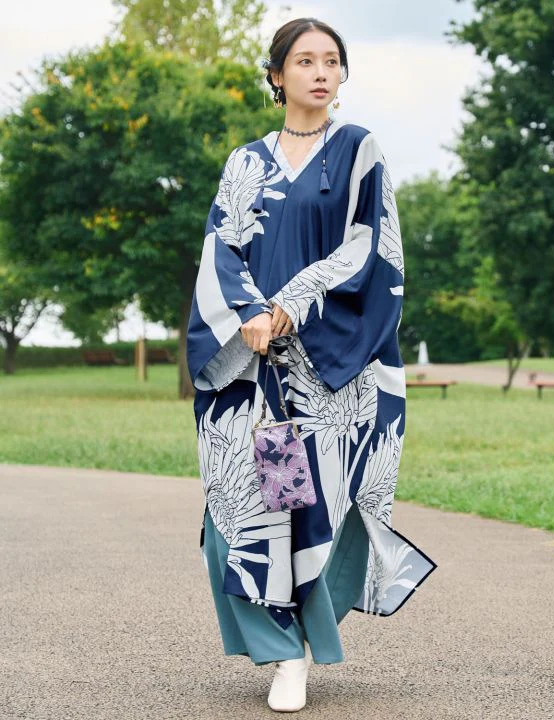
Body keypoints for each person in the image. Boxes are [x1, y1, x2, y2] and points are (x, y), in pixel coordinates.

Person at [186, 16, 437, 713]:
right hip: (254, 370)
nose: (321, 71)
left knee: (322, 508)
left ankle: (302, 638)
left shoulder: (358, 149)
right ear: (276, 75)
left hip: (336, 369)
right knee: (250, 503)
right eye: (304, 60)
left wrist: (292, 303)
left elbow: (369, 245)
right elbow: (221, 249)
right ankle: (283, 652)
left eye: (332, 60)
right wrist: (249, 313)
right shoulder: (244, 162)